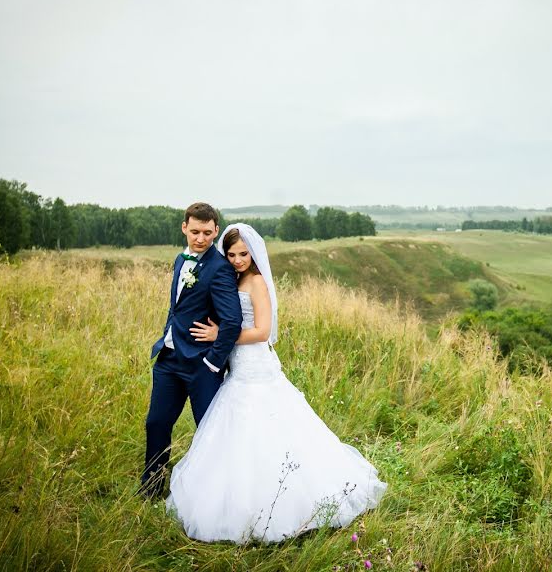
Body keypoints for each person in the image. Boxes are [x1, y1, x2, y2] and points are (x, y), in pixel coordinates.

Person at [166, 223, 386, 543]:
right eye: (231, 254)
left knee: (271, 431)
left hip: (256, 366)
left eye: (244, 254)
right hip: (236, 371)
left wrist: (220, 335)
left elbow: (263, 332)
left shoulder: (256, 282)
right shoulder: (231, 278)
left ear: (254, 253)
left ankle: (285, 504)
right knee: (236, 434)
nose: (238, 259)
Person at [141, 203, 243, 499]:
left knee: (208, 432)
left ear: (215, 232)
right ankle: (151, 490)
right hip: (169, 360)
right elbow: (177, 307)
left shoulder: (221, 269)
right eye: (195, 231)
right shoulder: (178, 259)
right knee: (156, 423)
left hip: (201, 365)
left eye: (207, 233)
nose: (200, 239)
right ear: (184, 227)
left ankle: (214, 496)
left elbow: (233, 320)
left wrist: (213, 361)